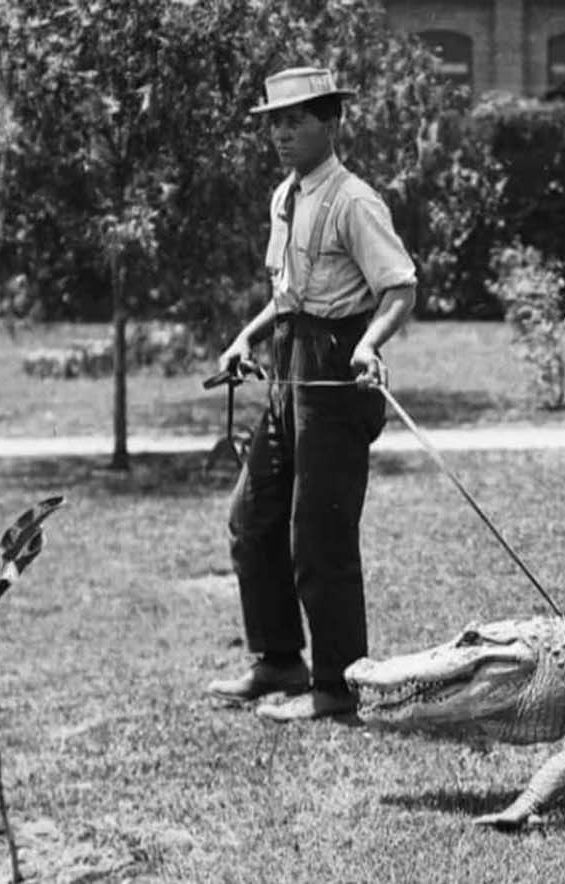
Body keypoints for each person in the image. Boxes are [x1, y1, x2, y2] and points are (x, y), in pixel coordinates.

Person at [206, 66, 417, 722]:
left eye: (296, 119)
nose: (282, 132)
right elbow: (287, 292)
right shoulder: (286, 197)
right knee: (252, 517)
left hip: (336, 370)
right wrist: (246, 337)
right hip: (287, 363)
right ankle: (277, 659)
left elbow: (400, 288)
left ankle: (336, 686)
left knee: (319, 537)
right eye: (275, 120)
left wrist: (369, 344)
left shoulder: (354, 201)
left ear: (333, 122)